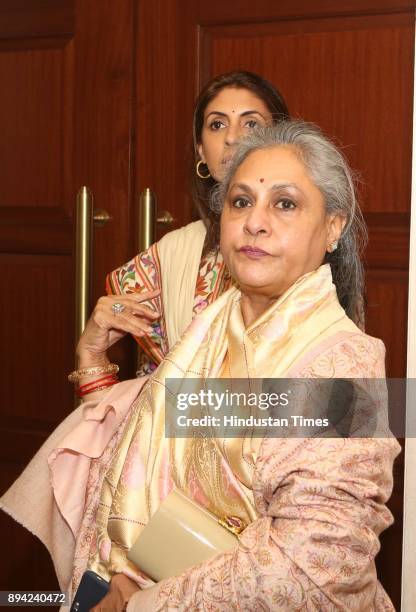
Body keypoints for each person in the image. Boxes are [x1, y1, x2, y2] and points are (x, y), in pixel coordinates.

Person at [1, 120, 400, 610]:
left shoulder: (343, 364)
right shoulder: (214, 326)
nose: (256, 221)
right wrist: (91, 364)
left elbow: (315, 568)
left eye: (285, 203)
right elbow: (146, 456)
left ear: (333, 227)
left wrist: (145, 600)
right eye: (240, 201)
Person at [104, 70, 290, 374]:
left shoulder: (306, 246)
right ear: (201, 150)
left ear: (282, 140)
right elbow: (152, 389)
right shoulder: (173, 254)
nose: (232, 137)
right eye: (217, 124)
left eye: (251, 123)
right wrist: (93, 351)